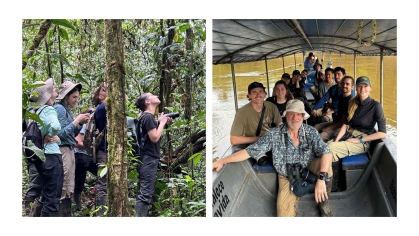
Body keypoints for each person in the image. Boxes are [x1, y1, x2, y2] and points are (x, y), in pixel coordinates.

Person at [213, 99, 334, 217]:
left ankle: (323, 204)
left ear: (303, 116)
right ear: (286, 116)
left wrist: (321, 179)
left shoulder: (310, 132)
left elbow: (326, 152)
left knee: (326, 167)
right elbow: (249, 152)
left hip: (308, 164)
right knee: (283, 216)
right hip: (288, 174)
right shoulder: (274, 134)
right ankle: (296, 194)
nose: (295, 118)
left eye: (298, 114)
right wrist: (223, 160)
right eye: (291, 114)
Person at [327, 76, 386, 188]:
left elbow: (382, 133)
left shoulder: (376, 106)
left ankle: (332, 185)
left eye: (365, 86)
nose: (362, 89)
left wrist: (359, 140)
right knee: (327, 145)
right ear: (356, 88)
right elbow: (346, 124)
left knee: (330, 149)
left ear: (370, 88)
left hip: (362, 141)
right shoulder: (353, 103)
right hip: (349, 134)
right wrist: (337, 139)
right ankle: (334, 180)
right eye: (360, 86)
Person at [28, 78, 64, 217]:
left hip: (40, 157)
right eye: (53, 89)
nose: (55, 91)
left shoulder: (35, 111)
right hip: (51, 156)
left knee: (46, 194)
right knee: (53, 199)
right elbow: (55, 126)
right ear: (48, 95)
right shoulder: (48, 109)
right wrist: (54, 135)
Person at [54, 80, 90, 216]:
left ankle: (66, 212)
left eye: (77, 97)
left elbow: (72, 134)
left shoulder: (66, 110)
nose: (76, 100)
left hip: (69, 149)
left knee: (69, 184)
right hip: (63, 149)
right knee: (64, 184)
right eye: (74, 97)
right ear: (66, 96)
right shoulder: (59, 109)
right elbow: (60, 134)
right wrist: (76, 121)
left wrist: (80, 124)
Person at [133, 93, 172, 217]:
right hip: (148, 158)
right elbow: (154, 137)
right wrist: (162, 122)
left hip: (146, 158)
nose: (156, 95)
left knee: (146, 192)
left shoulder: (144, 117)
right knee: (145, 194)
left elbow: (150, 137)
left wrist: (162, 123)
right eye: (152, 95)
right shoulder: (148, 117)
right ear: (147, 102)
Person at [230, 82, 282, 166]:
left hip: (271, 141)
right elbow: (234, 140)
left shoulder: (271, 107)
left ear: (265, 94)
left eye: (260, 91)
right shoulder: (242, 113)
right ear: (249, 96)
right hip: (255, 144)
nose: (258, 95)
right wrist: (258, 139)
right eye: (254, 92)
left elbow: (280, 125)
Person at [316, 76, 355, 142]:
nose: (344, 85)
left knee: (321, 136)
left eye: (347, 84)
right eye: (343, 83)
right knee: (316, 127)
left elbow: (342, 123)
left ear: (352, 87)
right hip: (336, 122)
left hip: (343, 127)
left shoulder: (350, 101)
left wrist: (327, 128)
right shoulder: (341, 97)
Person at [73, 108, 98, 212]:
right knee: (79, 183)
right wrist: (91, 146)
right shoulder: (84, 125)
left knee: (102, 176)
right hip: (80, 156)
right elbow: (77, 142)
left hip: (89, 156)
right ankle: (76, 207)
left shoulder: (94, 125)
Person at [92, 85, 108, 215]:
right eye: (104, 90)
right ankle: (100, 214)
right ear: (100, 97)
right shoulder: (102, 107)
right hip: (104, 150)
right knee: (102, 184)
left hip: (107, 149)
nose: (108, 90)